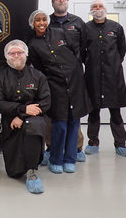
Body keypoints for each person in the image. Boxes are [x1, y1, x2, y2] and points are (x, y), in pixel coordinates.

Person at [28, 10, 92, 174]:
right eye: (38, 21)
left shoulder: (60, 33)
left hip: (75, 81)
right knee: (59, 123)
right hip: (55, 85)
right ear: (32, 24)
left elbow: (75, 51)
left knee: (73, 122)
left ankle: (70, 159)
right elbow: (39, 68)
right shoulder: (33, 44)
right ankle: (56, 159)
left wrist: (75, 71)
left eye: (44, 19)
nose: (41, 23)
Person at [0, 40, 51, 194]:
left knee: (33, 126)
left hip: (34, 118)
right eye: (12, 53)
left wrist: (22, 116)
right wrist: (23, 110)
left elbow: (45, 103)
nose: (16, 56)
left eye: (19, 52)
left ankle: (32, 172)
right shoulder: (0, 78)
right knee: (14, 172)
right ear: (6, 56)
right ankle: (21, 167)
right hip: (10, 122)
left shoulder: (38, 76)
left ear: (26, 54)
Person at [84, 0, 126, 157]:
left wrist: (113, 64)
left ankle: (120, 144)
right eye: (94, 7)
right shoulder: (85, 28)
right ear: (91, 10)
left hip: (113, 77)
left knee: (115, 112)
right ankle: (93, 142)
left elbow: (121, 50)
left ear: (105, 8)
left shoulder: (116, 28)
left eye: (100, 6)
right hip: (93, 75)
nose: (98, 9)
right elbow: (82, 52)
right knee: (93, 111)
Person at [47, 0, 88, 163]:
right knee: (54, 115)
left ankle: (77, 148)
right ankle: (51, 148)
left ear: (68, 1)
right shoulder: (47, 22)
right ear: (53, 2)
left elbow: (86, 48)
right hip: (53, 77)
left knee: (74, 113)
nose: (61, 1)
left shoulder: (78, 23)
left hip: (74, 76)